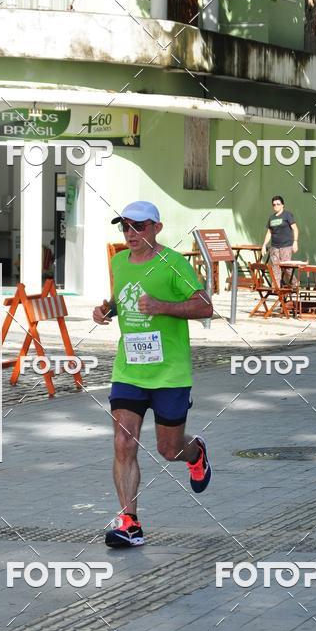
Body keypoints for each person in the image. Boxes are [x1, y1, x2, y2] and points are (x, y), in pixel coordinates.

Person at [93, 201, 213, 547]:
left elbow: (205, 305)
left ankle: (196, 452)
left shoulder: (173, 264)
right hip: (129, 369)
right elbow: (121, 300)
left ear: (156, 228)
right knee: (123, 442)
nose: (130, 234)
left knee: (169, 449)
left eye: (138, 227)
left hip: (170, 374)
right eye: (125, 227)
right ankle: (129, 522)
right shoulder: (118, 261)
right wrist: (106, 310)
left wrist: (163, 307)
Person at [262, 196, 299, 286]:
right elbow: (269, 233)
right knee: (275, 268)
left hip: (286, 246)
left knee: (287, 268)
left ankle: (295, 285)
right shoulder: (271, 218)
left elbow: (295, 229)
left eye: (278, 204)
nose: (276, 206)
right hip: (274, 247)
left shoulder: (287, 215)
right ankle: (276, 288)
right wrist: (264, 245)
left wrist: (295, 242)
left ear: (282, 205)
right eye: (274, 204)